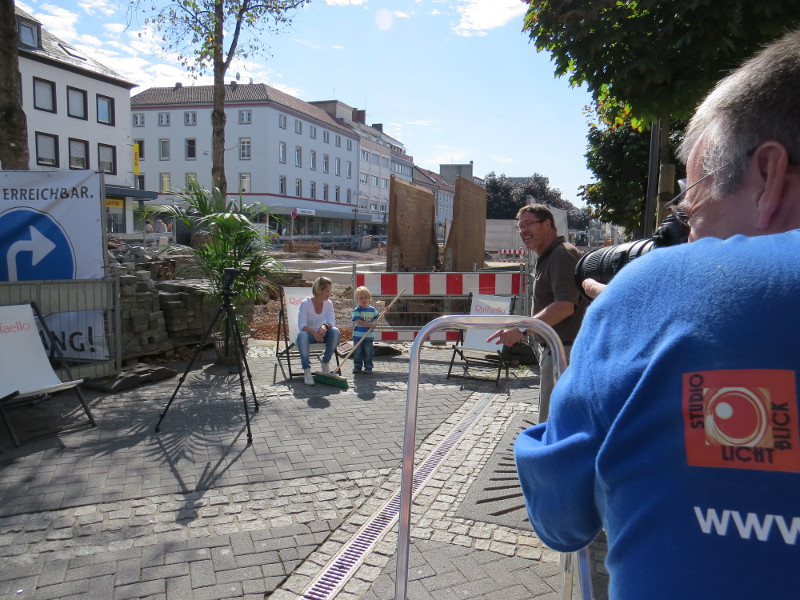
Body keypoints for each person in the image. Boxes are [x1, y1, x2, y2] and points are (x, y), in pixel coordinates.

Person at [514, 30, 800, 599]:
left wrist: (620, 330)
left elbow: (559, 519)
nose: (685, 238)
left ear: (768, 176)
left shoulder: (651, 292)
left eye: (691, 209)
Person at [487, 204, 588, 420]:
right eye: (520, 227)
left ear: (548, 224)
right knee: (553, 420)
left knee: (555, 423)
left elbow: (565, 305)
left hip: (564, 352)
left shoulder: (562, 255)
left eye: (529, 224)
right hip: (556, 349)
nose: (523, 231)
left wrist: (523, 328)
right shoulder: (548, 256)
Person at [296, 277, 341, 386]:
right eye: (327, 290)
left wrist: (325, 326)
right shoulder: (305, 303)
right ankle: (307, 370)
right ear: (319, 290)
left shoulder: (328, 303)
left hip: (322, 334)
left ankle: (325, 362)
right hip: (309, 335)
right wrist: (314, 332)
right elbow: (301, 325)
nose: (330, 293)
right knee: (302, 335)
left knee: (335, 331)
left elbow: (331, 322)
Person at [351, 286, 379, 374]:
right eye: (361, 298)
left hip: (368, 336)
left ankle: (368, 367)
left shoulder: (372, 309)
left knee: (368, 352)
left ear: (369, 298)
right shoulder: (357, 310)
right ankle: (357, 366)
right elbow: (359, 321)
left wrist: (384, 311)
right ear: (357, 300)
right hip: (358, 336)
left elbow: (377, 317)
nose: (364, 300)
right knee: (358, 352)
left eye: (366, 297)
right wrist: (369, 325)